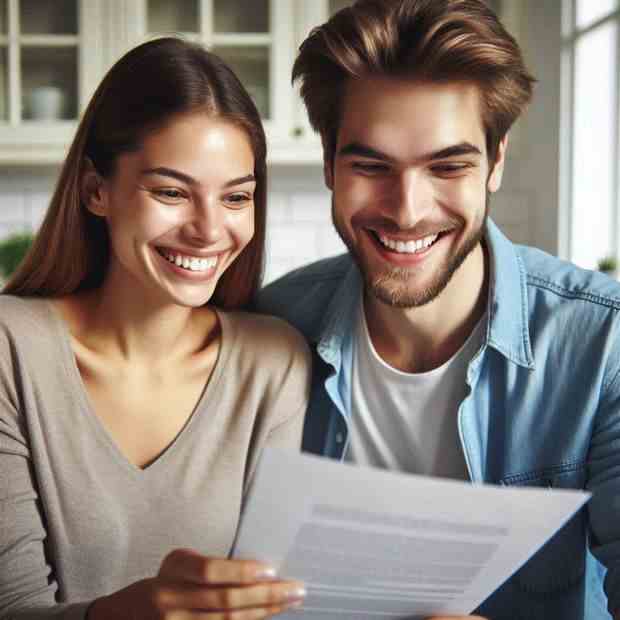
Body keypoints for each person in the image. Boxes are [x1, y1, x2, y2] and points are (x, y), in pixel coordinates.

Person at [257, 0, 620, 618]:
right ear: (328, 164)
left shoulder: (603, 343)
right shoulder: (270, 325)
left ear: (495, 162)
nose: (406, 210)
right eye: (371, 165)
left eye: (448, 166)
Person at [0, 37, 310, 619]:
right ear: (97, 191)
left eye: (237, 197)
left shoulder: (273, 362)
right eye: (171, 192)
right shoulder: (9, 349)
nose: (209, 230)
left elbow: (271, 602)